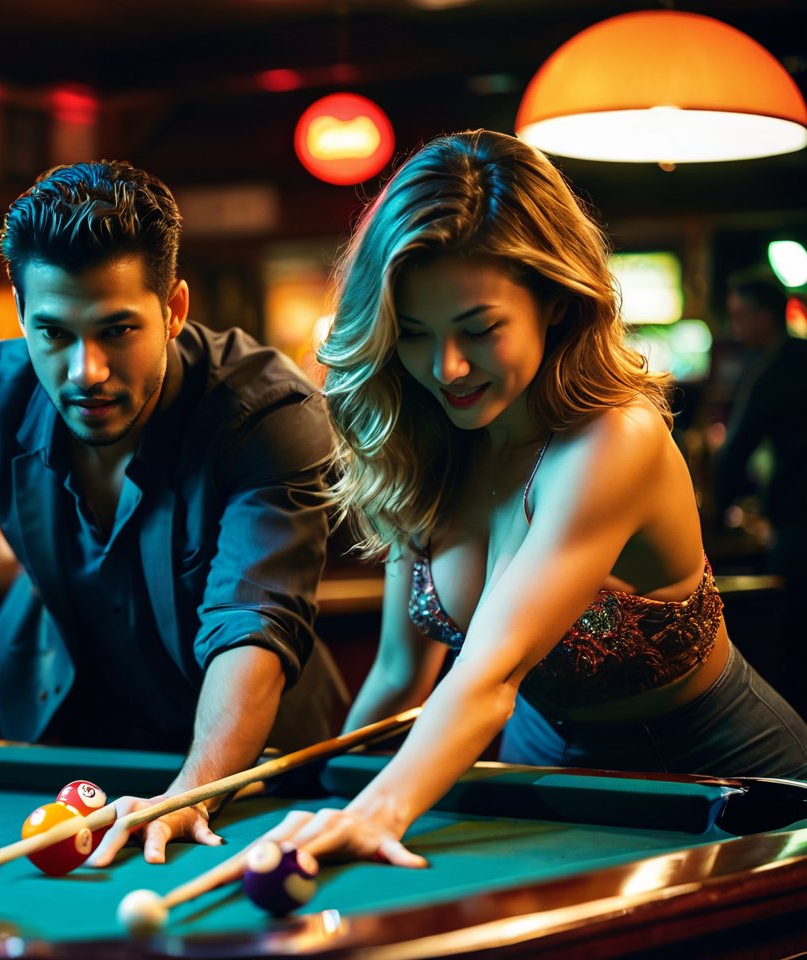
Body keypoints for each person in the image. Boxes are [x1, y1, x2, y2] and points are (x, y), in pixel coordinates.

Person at [268, 130, 807, 868]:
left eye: (479, 329)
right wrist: (324, 803)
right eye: (415, 334)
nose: (445, 366)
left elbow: (491, 674)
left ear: (554, 301)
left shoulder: (616, 438)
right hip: (538, 769)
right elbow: (398, 675)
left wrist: (380, 810)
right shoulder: (426, 444)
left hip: (724, 780)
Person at [0, 159, 347, 864]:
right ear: (22, 314)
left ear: (174, 309)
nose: (86, 370)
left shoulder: (268, 416)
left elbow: (250, 626)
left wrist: (194, 792)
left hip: (249, 772)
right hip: (72, 736)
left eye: (117, 330)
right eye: (53, 333)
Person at [713, 275, 807, 711]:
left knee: (791, 639)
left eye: (739, 317)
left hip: (797, 524)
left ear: (764, 316)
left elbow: (735, 451)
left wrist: (712, 516)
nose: (735, 328)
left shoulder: (774, 367)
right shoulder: (797, 357)